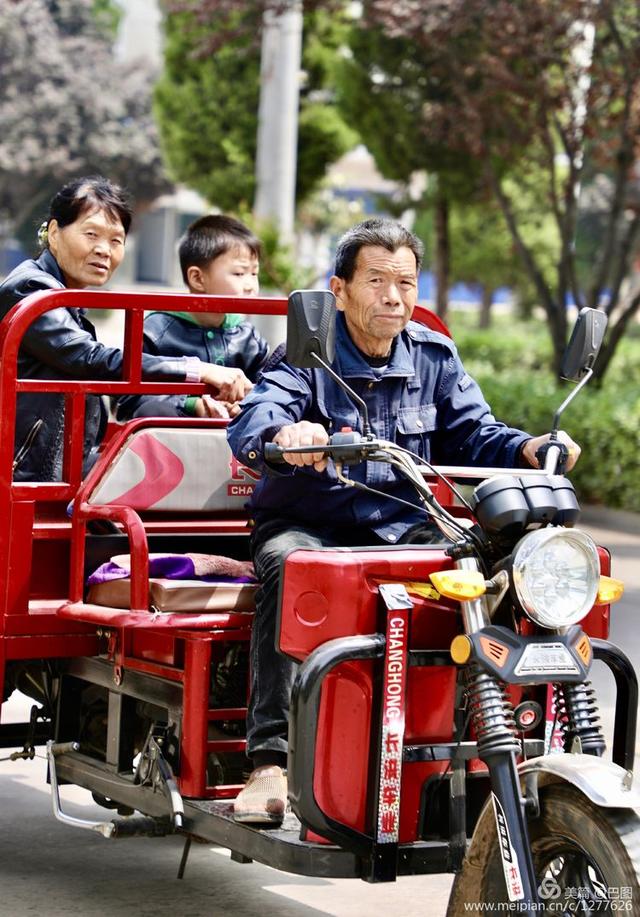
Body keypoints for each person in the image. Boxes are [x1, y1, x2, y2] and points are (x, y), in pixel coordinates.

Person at [226, 217, 580, 825]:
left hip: (403, 523)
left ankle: (481, 745)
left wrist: (527, 447)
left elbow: (475, 432)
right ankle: (270, 762)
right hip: (313, 525)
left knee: (486, 566)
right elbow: (253, 423)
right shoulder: (304, 354)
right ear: (338, 289)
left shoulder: (434, 355)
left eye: (407, 283)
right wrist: (289, 433)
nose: (394, 297)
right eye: (377, 281)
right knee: (291, 568)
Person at [0, 177, 252, 481]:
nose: (104, 250)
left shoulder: (63, 295)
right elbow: (87, 358)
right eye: (91, 234)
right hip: (23, 472)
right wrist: (197, 370)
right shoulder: (32, 288)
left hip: (54, 466)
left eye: (116, 240)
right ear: (54, 233)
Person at [116, 214, 269, 422]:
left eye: (254, 273)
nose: (251, 285)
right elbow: (128, 401)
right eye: (239, 274)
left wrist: (244, 404)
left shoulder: (247, 337)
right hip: (172, 444)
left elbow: (268, 390)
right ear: (197, 278)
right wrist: (190, 404)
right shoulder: (155, 331)